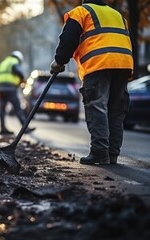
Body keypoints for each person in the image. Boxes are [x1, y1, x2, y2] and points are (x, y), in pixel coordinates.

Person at [50, 0, 133, 165]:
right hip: (123, 63)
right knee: (116, 110)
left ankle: (100, 152)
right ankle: (112, 154)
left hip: (99, 63)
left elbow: (68, 38)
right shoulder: (118, 15)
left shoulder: (82, 12)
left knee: (97, 105)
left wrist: (59, 61)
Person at [0, 50, 35, 134]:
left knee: (2, 109)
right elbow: (17, 71)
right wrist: (22, 78)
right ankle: (25, 128)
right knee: (18, 108)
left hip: (1, 88)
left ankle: (2, 128)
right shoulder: (14, 61)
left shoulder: (4, 62)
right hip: (10, 88)